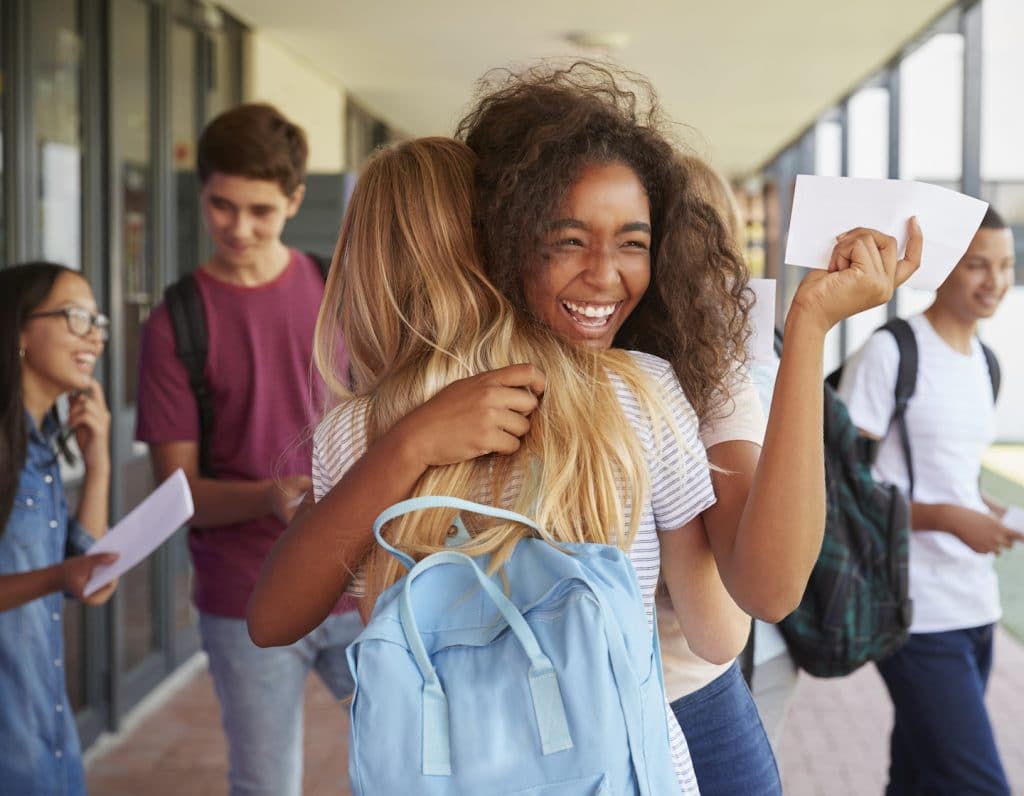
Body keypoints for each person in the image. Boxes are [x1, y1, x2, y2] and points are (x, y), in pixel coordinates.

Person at [455, 61, 920, 795]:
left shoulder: (688, 378)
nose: (604, 272)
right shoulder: (460, 380)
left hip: (682, 705)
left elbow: (764, 591)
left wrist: (808, 329)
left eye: (634, 240)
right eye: (568, 238)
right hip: (503, 722)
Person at [248, 136, 751, 795]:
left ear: (362, 267)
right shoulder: (638, 390)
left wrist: (409, 447)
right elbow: (719, 635)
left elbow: (271, 621)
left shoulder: (360, 432)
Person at [135, 103, 361, 796]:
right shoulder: (177, 321)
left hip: (356, 582)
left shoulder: (339, 294)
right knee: (265, 785)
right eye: (221, 206)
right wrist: (268, 495)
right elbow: (179, 495)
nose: (238, 227)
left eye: (260, 210)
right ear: (200, 194)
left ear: (295, 200)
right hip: (245, 599)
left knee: (417, 765)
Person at [838, 206, 1020, 795]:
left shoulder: (986, 364)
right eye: (977, 265)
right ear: (942, 267)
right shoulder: (891, 353)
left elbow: (945, 475)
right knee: (977, 783)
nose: (994, 281)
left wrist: (985, 511)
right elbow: (841, 488)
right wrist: (947, 519)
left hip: (975, 605)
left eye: (1006, 266)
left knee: (919, 776)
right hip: (915, 611)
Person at [0, 262, 117, 795]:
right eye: (75, 317)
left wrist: (100, 467)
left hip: (46, 723)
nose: (93, 334)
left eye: (97, 320)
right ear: (20, 328)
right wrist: (59, 577)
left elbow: (90, 583)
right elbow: (66, 575)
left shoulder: (43, 448)